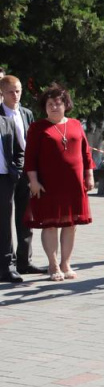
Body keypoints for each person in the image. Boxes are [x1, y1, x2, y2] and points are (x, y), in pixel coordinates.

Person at [25, 84, 94, 281]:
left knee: (71, 224)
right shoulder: (37, 127)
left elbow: (86, 152)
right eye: (49, 104)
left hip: (73, 184)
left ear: (65, 105)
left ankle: (66, 263)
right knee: (50, 225)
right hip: (48, 185)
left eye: (58, 103)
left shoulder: (75, 124)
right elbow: (30, 157)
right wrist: (33, 181)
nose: (54, 107)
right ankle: (53, 264)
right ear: (44, 107)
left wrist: (89, 175)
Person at [1, 75, 42, 276]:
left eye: (18, 91)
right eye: (10, 91)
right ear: (2, 92)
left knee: (26, 217)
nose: (15, 95)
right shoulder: (1, 114)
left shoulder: (26, 113)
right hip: (5, 174)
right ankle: (7, 264)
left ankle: (25, 261)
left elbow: (32, 144)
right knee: (4, 219)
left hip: (26, 172)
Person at [0, 112, 24, 282]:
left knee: (4, 223)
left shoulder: (7, 122)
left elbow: (19, 151)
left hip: (4, 179)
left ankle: (7, 266)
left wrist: (18, 170)